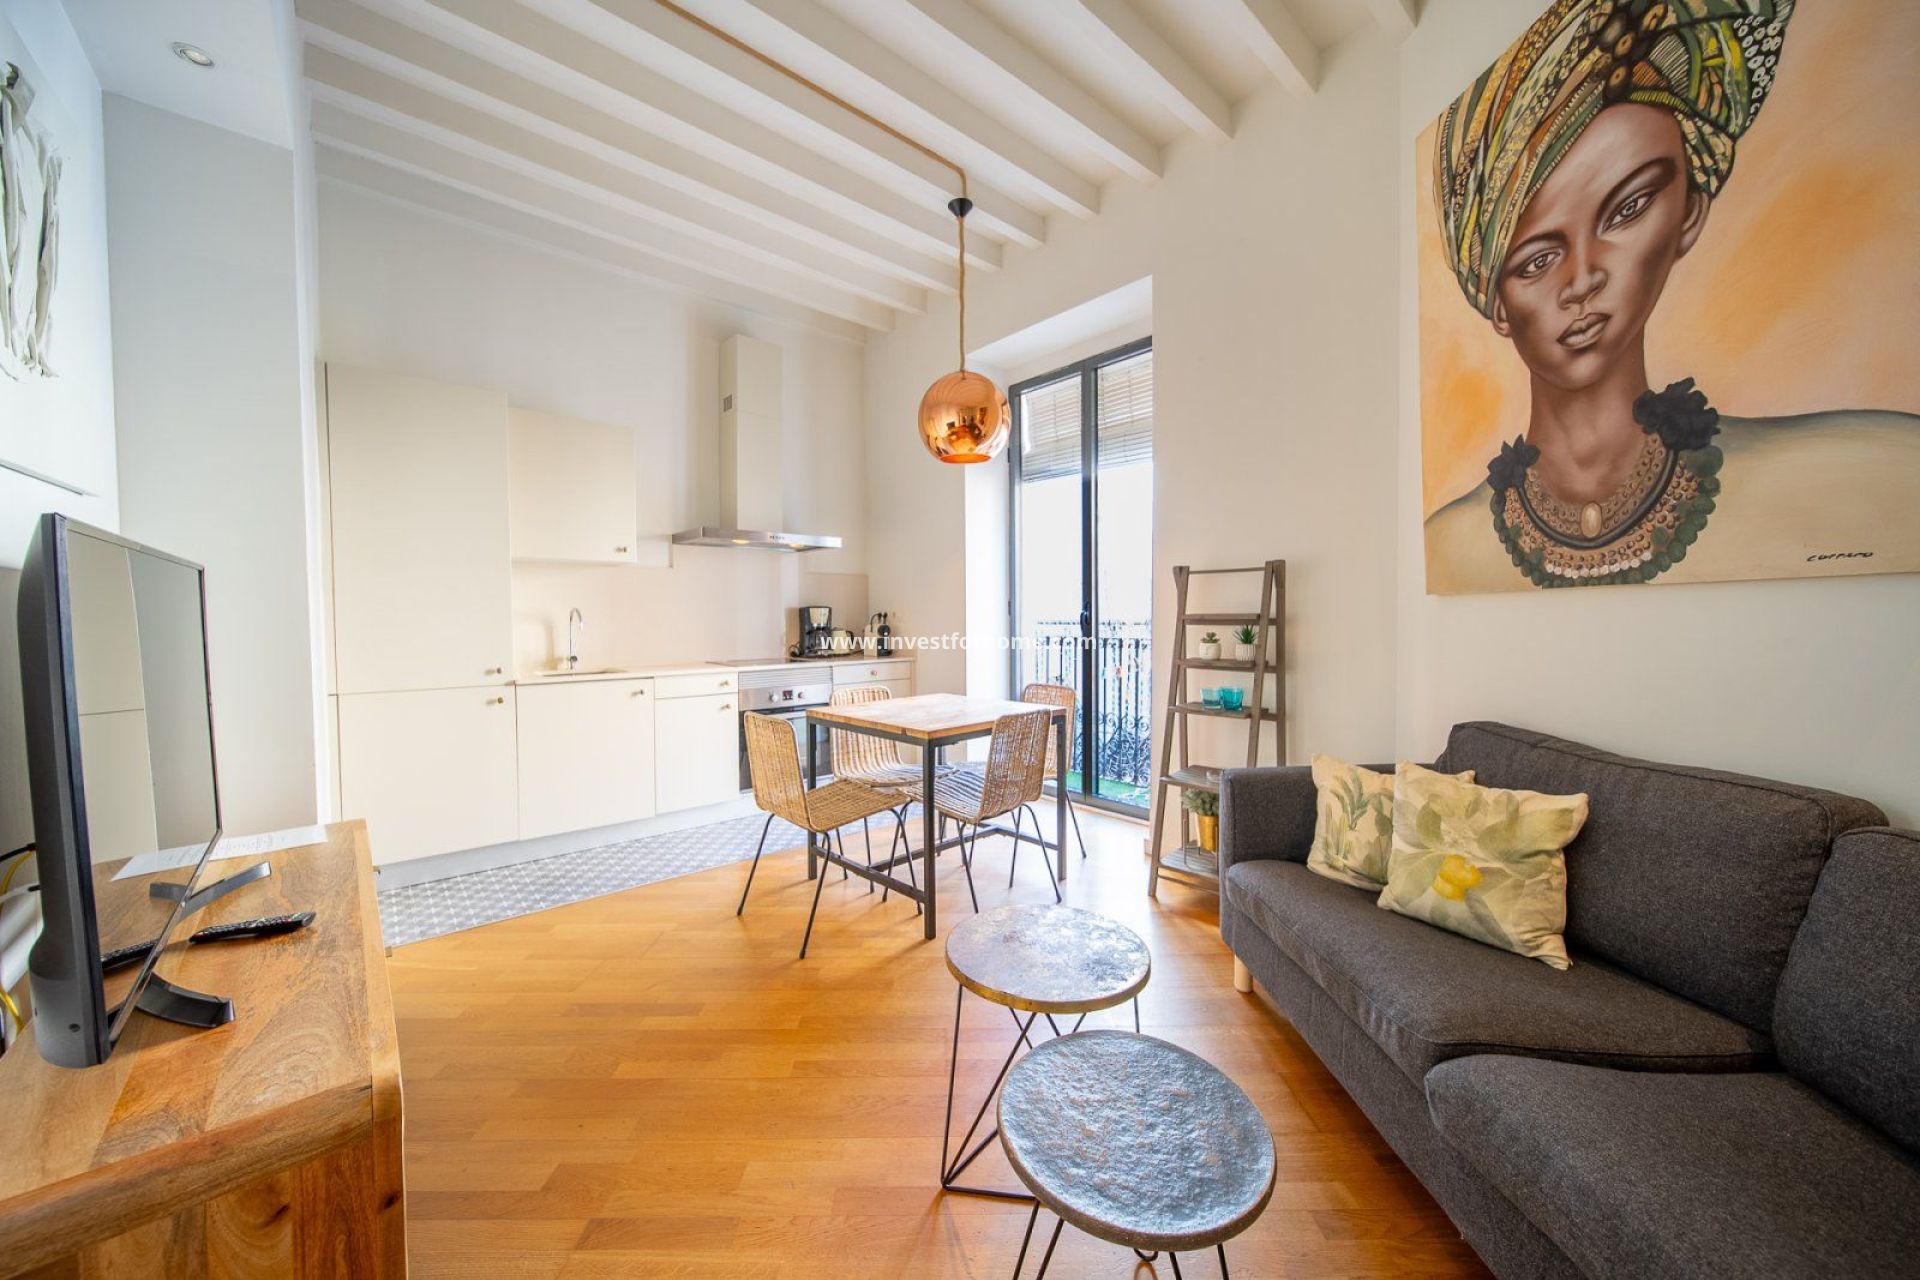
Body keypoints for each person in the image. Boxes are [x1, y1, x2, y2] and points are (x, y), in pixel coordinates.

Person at [1424, 0, 1920, 590]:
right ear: (1498, 303)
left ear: (1688, 214)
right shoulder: (1446, 547)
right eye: (1538, 259)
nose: (1582, 280)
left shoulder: (1876, 470)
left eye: (1627, 210)